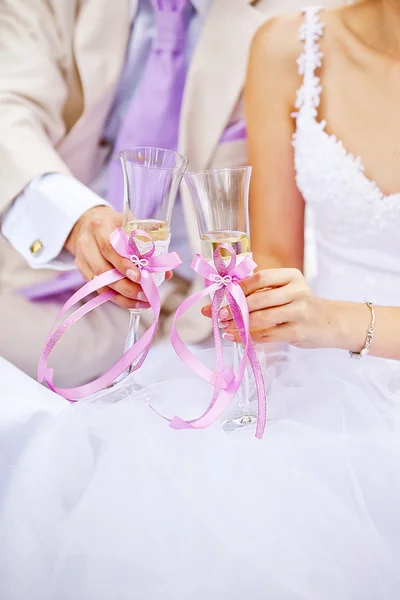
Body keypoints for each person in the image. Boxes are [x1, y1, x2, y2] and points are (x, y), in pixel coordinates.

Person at [1, 1, 400, 598]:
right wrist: (77, 220)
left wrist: (330, 321)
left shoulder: (272, 21)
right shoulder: (293, 45)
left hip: (268, 336)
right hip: (35, 275)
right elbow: (269, 252)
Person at [0, 0, 336, 386]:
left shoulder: (304, 22)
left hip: (198, 305)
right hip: (32, 259)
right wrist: (76, 220)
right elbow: (7, 109)